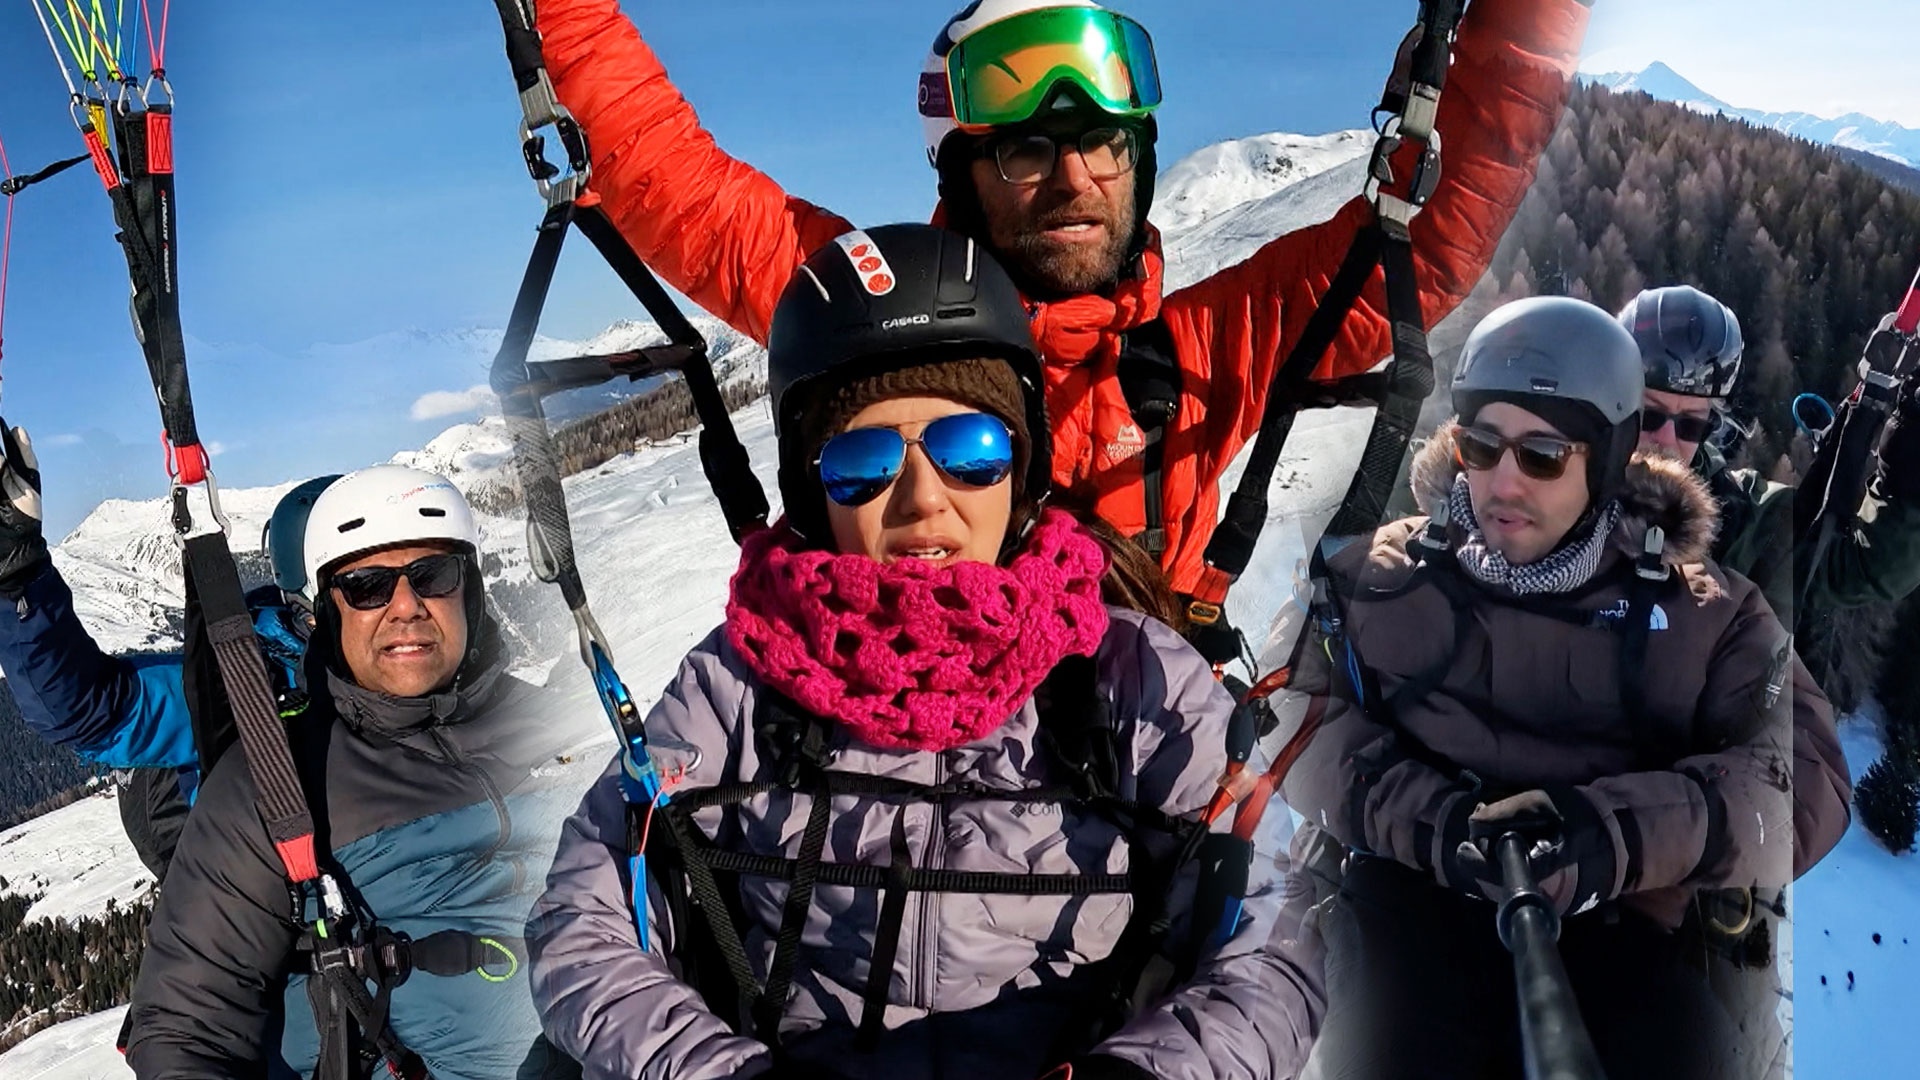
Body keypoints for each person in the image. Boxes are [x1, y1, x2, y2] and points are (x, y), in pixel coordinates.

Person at [527, 224, 1320, 1080]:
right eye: (862, 463)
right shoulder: (741, 686)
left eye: (968, 451)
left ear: (1022, 466)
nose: (921, 500)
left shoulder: (1127, 675)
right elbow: (586, 916)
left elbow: (1280, 922)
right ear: (814, 494)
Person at [531, 0, 1593, 602]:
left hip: (1145, 802)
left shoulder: (1205, 350)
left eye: (1102, 145)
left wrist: (1528, 24)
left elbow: (1424, 237)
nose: (1074, 180)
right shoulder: (876, 314)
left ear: (1140, 160)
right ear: (964, 179)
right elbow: (674, 184)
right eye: (1028, 151)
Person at [1279, 296, 1845, 1079]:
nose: (1504, 483)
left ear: (1606, 462)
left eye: (1543, 455)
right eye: (1482, 446)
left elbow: (1804, 779)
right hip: (1406, 905)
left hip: (1624, 930)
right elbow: (1287, 711)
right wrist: (1433, 822)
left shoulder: (1705, 612)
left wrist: (1612, 837)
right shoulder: (1379, 578)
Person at [126, 465, 586, 1080]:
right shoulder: (276, 786)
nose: (407, 607)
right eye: (367, 586)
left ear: (468, 592)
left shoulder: (562, 722)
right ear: (327, 613)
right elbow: (186, 1030)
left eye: (433, 575)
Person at [0, 424, 337, 880]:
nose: (404, 608)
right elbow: (90, 709)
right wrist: (19, 578)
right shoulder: (248, 677)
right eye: (365, 584)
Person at [1619, 283, 1920, 626]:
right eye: (1649, 416)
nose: (1667, 440)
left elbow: (1870, 567)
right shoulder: (1571, 485)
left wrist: (1907, 459)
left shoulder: (1741, 521)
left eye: (1691, 425)